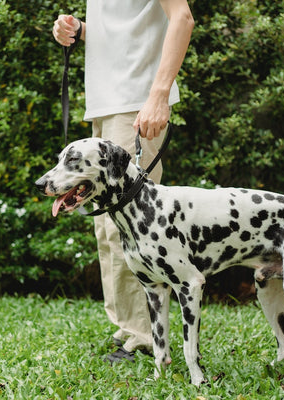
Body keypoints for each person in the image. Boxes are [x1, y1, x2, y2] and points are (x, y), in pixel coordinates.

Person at [52, 0, 194, 362]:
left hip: (136, 104)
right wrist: (79, 31)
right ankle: (128, 329)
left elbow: (182, 17)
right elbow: (125, 29)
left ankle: (143, 338)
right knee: (107, 228)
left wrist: (159, 95)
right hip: (106, 105)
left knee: (130, 229)